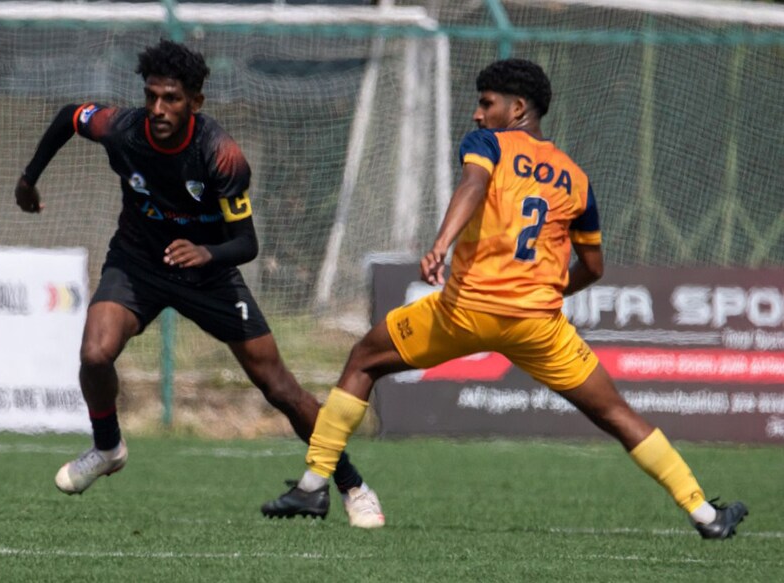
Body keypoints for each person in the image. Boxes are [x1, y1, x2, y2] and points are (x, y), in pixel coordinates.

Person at [262, 58, 748, 539]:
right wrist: (548, 290)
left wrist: (440, 244)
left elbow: (473, 184)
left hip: (466, 311)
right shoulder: (576, 178)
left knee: (365, 360)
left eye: (486, 103)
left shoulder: (488, 143)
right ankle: (704, 513)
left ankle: (314, 485)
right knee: (616, 413)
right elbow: (594, 267)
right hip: (538, 325)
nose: (477, 114)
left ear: (517, 108)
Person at [14, 39, 384, 528]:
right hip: (138, 262)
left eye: (171, 99)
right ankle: (107, 448)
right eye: (151, 96)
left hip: (209, 274)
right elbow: (69, 116)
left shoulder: (221, 155)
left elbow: (247, 243)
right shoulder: (123, 129)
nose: (158, 109)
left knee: (279, 386)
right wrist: (29, 179)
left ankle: (353, 485)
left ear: (195, 101)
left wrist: (207, 253)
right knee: (95, 353)